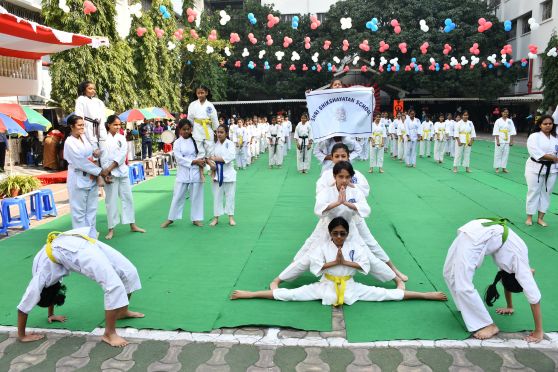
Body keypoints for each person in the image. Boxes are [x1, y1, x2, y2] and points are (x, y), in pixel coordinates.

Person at [233, 217, 447, 305]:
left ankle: (425, 295)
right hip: (325, 286)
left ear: (347, 233)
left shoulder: (353, 247)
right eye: (335, 233)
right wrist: (334, 262)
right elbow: (316, 266)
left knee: (385, 294)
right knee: (293, 295)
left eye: (342, 233)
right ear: (329, 233)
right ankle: (251, 294)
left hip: (350, 286)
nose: (338, 237)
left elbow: (364, 266)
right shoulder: (323, 247)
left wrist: (344, 261)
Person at [16, 228, 143, 347]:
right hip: (75, 247)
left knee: (129, 271)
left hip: (74, 245)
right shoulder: (45, 281)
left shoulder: (41, 278)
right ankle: (109, 334)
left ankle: (122, 311)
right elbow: (50, 293)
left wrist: (22, 335)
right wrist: (51, 315)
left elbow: (23, 308)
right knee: (113, 284)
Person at [443, 218, 542, 342]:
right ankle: (479, 317)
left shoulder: (514, 268)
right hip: (477, 234)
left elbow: (507, 281)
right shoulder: (519, 264)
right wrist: (539, 331)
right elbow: (534, 298)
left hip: (475, 231)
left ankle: (486, 324)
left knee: (455, 278)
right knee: (455, 278)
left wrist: (509, 306)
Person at [64, 115, 111, 238]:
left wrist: (95, 154)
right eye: (79, 125)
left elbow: (90, 155)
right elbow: (80, 162)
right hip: (78, 177)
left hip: (91, 177)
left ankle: (91, 236)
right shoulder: (69, 143)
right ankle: (81, 238)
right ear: (71, 126)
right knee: (79, 211)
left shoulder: (84, 138)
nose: (82, 127)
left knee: (91, 209)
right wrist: (100, 171)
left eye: (83, 125)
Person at [101, 115, 145, 240]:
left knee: (128, 198)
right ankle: (111, 229)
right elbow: (102, 158)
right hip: (109, 175)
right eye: (115, 124)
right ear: (108, 125)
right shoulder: (103, 139)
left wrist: (109, 169)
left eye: (119, 124)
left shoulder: (122, 138)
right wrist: (107, 173)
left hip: (122, 171)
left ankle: (132, 224)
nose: (118, 127)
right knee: (111, 201)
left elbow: (122, 155)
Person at [161, 119, 205, 228]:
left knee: (196, 196)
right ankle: (171, 218)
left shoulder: (196, 140)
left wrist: (199, 162)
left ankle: (196, 218)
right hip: (183, 172)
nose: (186, 131)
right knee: (178, 195)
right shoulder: (177, 143)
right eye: (183, 129)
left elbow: (201, 153)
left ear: (191, 129)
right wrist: (194, 161)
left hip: (195, 171)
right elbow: (179, 159)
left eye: (188, 129)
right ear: (179, 130)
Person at [524, 115, 558, 227]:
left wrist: (554, 159)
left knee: (546, 193)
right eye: (545, 124)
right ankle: (529, 217)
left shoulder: (556, 137)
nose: (548, 126)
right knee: (533, 191)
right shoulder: (534, 136)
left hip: (552, 169)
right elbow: (535, 152)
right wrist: (553, 158)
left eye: (550, 124)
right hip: (535, 167)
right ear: (540, 125)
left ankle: (540, 218)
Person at [75, 81, 107, 186]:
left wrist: (102, 127)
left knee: (104, 151)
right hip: (88, 127)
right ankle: (98, 177)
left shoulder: (99, 101)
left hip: (100, 126)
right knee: (94, 153)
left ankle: (106, 174)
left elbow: (103, 115)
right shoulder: (80, 100)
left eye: (94, 88)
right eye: (90, 88)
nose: (93, 90)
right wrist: (81, 130)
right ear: (84, 90)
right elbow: (79, 115)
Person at [207, 125, 237, 226]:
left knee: (230, 196)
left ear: (226, 133)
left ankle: (231, 217)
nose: (219, 134)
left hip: (229, 174)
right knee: (217, 196)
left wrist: (216, 159)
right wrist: (212, 165)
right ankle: (216, 218)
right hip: (217, 174)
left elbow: (230, 156)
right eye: (218, 132)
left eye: (221, 132)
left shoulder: (230, 144)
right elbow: (210, 158)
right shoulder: (215, 145)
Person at [187, 86, 219, 160]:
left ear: (206, 93)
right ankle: (200, 170)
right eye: (198, 93)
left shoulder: (210, 105)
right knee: (200, 151)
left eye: (202, 93)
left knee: (210, 150)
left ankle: (211, 169)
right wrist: (189, 129)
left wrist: (216, 130)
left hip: (208, 129)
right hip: (197, 129)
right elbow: (190, 119)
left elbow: (214, 119)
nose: (200, 95)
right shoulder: (192, 105)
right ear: (196, 94)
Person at [493, 108, 517, 173]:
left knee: (505, 154)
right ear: (501, 113)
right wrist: (497, 141)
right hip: (500, 138)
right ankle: (497, 167)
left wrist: (511, 141)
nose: (505, 113)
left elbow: (512, 131)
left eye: (507, 112)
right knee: (498, 153)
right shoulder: (498, 121)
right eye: (504, 112)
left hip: (507, 139)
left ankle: (504, 168)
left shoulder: (510, 121)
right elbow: (496, 131)